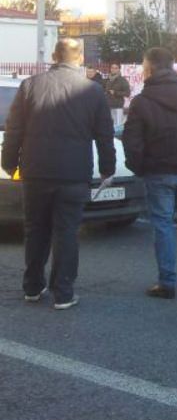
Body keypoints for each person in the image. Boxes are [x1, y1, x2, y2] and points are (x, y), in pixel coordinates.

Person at [1, 38, 115, 310]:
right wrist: (107, 169)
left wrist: (9, 164)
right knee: (66, 232)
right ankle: (63, 292)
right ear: (79, 58)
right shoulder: (93, 91)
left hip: (36, 171)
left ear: (54, 55)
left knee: (35, 229)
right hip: (74, 173)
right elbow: (104, 134)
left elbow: (14, 129)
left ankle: (32, 286)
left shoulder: (30, 85)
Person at [123, 47, 177, 300]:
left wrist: (139, 167)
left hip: (158, 171)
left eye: (143, 65)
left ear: (149, 68)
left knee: (163, 224)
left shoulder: (142, 101)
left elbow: (132, 140)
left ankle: (167, 282)